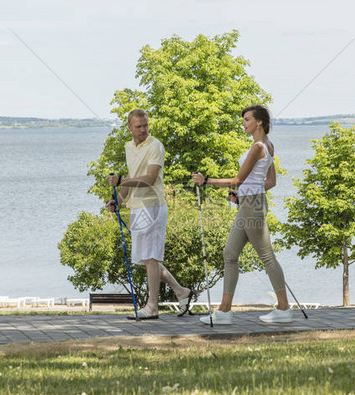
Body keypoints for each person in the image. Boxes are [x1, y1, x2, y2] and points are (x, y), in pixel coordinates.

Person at [191, 104, 292, 325]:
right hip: (249, 202)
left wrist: (206, 181)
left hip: (252, 206)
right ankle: (225, 312)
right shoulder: (268, 145)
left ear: (259, 122)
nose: (243, 123)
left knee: (266, 256)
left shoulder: (258, 147)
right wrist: (242, 194)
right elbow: (270, 182)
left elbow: (238, 180)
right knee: (230, 253)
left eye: (247, 119)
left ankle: (284, 308)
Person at [107, 108, 194, 319]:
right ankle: (181, 291)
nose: (143, 130)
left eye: (145, 125)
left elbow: (150, 179)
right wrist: (118, 200)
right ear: (129, 127)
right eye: (138, 126)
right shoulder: (129, 147)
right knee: (146, 259)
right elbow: (131, 174)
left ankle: (152, 307)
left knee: (151, 256)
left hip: (152, 206)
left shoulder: (156, 146)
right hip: (136, 207)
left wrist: (122, 181)